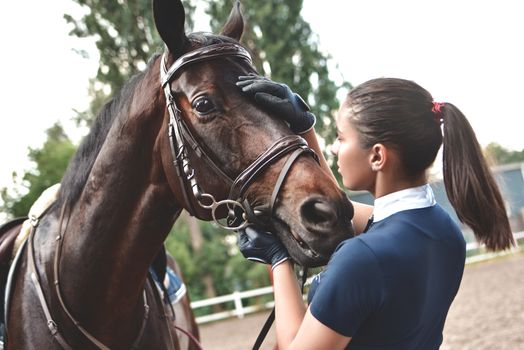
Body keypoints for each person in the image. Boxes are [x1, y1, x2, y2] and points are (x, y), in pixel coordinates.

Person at [235, 75, 514, 350]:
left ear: (378, 156)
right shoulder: (443, 230)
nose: (333, 148)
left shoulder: (361, 259)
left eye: (341, 139)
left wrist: (279, 260)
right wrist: (304, 128)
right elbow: (338, 208)